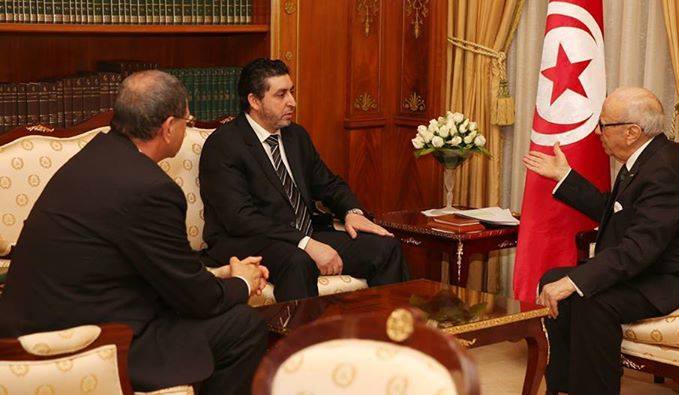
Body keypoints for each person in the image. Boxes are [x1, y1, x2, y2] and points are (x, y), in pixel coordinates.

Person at [0, 70, 269, 395]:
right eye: (188, 119)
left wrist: (217, 273)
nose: (187, 125)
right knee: (244, 327)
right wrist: (242, 282)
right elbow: (197, 300)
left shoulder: (98, 155)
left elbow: (147, 262)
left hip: (39, 322)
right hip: (85, 340)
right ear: (169, 128)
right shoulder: (149, 189)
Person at [523, 87, 679, 394]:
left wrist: (576, 282)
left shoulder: (663, 170)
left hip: (678, 277)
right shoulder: (645, 158)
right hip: (652, 265)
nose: (598, 132)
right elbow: (615, 213)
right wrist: (566, 176)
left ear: (632, 132)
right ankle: (563, 386)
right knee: (556, 279)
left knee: (590, 298)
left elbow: (638, 247)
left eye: (604, 125)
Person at [199, 58, 409, 302]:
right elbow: (240, 218)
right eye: (281, 95)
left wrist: (352, 212)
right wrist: (305, 243)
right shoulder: (224, 144)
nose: (292, 102)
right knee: (298, 261)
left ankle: (384, 335)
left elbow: (329, 184)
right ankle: (303, 340)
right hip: (247, 241)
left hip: (302, 234)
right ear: (254, 101)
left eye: (292, 92)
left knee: (385, 248)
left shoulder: (295, 136)